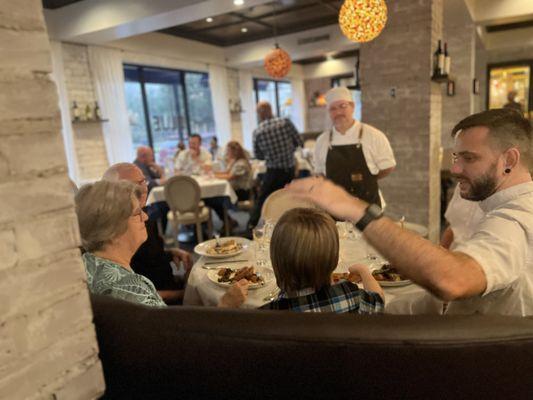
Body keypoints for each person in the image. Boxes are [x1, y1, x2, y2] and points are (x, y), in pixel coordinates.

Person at [287, 108, 533, 316]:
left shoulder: (520, 218)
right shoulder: (486, 199)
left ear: (509, 160)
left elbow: (454, 280)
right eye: (456, 156)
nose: (455, 168)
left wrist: (354, 208)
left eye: (469, 158)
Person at [76, 179, 248, 308]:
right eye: (137, 214)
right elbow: (178, 345)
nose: (146, 217)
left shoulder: (89, 262)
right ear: (112, 230)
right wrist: (225, 306)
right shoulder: (131, 290)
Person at [257, 208, 384, 313]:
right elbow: (379, 302)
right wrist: (364, 272)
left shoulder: (266, 315)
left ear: (276, 259)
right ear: (333, 259)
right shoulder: (351, 296)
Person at [102, 162, 193, 304]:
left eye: (143, 181)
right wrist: (184, 294)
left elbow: (147, 256)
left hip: (169, 283)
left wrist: (171, 252)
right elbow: (133, 294)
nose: (143, 188)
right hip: (160, 306)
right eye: (134, 184)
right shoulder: (119, 234)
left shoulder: (142, 214)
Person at [313, 87, 396, 208]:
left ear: (352, 107)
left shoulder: (373, 135)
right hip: (335, 207)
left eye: (342, 106)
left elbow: (388, 167)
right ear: (329, 112)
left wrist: (368, 180)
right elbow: (319, 173)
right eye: (333, 109)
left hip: (368, 206)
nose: (338, 112)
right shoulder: (322, 141)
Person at [249, 101, 302, 228]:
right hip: (289, 169)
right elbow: (299, 142)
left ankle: (253, 225)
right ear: (271, 110)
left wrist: (270, 154)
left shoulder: (258, 131)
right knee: (290, 197)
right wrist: (288, 149)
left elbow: (258, 156)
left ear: (259, 114)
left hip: (273, 171)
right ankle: (291, 225)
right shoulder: (285, 123)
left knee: (264, 199)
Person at [440, 183, 484, 250]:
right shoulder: (463, 185)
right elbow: (453, 226)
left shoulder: (502, 202)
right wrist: (441, 250)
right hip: (453, 254)